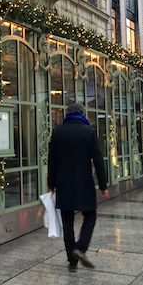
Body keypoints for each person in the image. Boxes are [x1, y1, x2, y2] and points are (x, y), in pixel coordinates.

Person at [47, 103, 108, 272]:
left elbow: (52, 160)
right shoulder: (89, 132)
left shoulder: (58, 132)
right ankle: (80, 248)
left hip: (63, 184)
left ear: (67, 114)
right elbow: (98, 160)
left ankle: (72, 261)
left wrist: (51, 184)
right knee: (90, 215)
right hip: (84, 183)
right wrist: (103, 185)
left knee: (67, 221)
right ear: (82, 114)